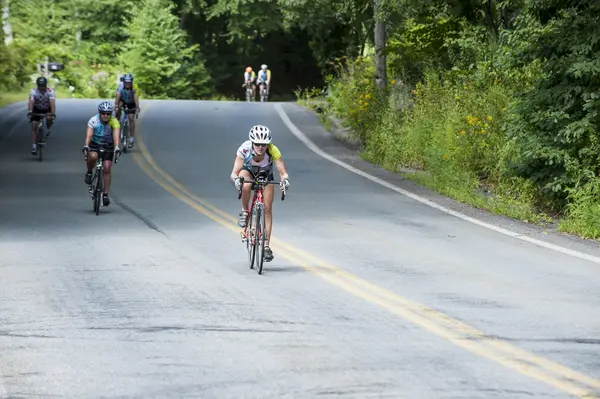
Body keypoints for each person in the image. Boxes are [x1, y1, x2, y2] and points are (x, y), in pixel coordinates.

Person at [230, 125, 290, 262]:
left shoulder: (273, 150)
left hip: (265, 174)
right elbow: (234, 173)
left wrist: (285, 180)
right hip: (248, 171)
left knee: (268, 208)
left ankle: (266, 246)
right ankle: (245, 212)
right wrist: (236, 181)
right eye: (257, 144)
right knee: (245, 183)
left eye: (264, 144)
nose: (260, 147)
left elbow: (282, 171)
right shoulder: (244, 149)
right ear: (252, 142)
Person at [82, 101, 121, 207]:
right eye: (103, 113)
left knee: (107, 167)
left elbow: (116, 135)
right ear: (100, 113)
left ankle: (105, 194)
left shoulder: (114, 121)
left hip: (108, 145)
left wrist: (117, 147)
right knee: (93, 156)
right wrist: (86, 145)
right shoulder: (93, 120)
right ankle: (89, 172)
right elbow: (89, 135)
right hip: (95, 144)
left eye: (108, 113)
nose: (106, 115)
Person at [27, 76, 56, 155]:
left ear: (46, 85)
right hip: (36, 108)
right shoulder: (33, 91)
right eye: (40, 86)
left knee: (49, 118)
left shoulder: (50, 91)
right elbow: (31, 101)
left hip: (47, 108)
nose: (42, 88)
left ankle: (49, 124)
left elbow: (52, 102)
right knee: (34, 125)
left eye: (43, 86)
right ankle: (34, 146)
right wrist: (30, 111)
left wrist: (53, 113)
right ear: (37, 86)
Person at [114, 73, 140, 148]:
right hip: (123, 100)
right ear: (124, 82)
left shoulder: (135, 87)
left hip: (132, 102)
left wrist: (137, 107)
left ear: (131, 82)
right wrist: (116, 106)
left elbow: (135, 98)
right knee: (118, 107)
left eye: (129, 82)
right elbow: (117, 97)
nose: (127, 84)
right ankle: (117, 121)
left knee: (131, 118)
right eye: (126, 82)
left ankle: (131, 139)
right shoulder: (120, 86)